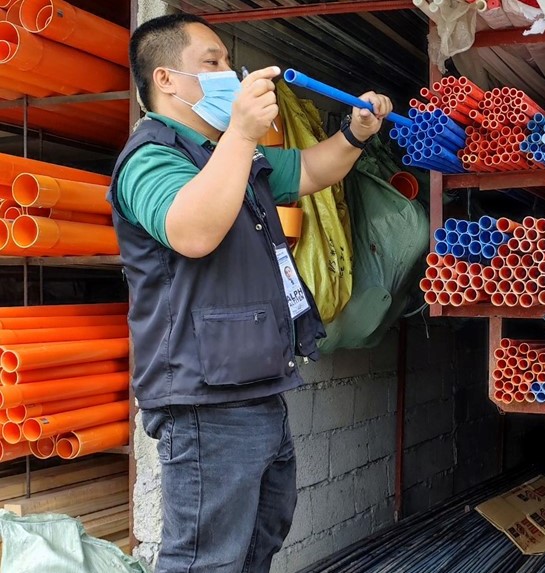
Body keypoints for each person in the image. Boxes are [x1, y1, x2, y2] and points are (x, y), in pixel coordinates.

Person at [110, 14, 392, 572]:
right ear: (165, 79)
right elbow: (191, 231)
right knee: (206, 561)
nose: (228, 75)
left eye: (226, 63)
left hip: (254, 386)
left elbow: (313, 169)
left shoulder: (235, 157)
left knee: (257, 546)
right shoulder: (151, 157)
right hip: (201, 400)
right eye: (211, 63)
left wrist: (355, 133)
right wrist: (240, 134)